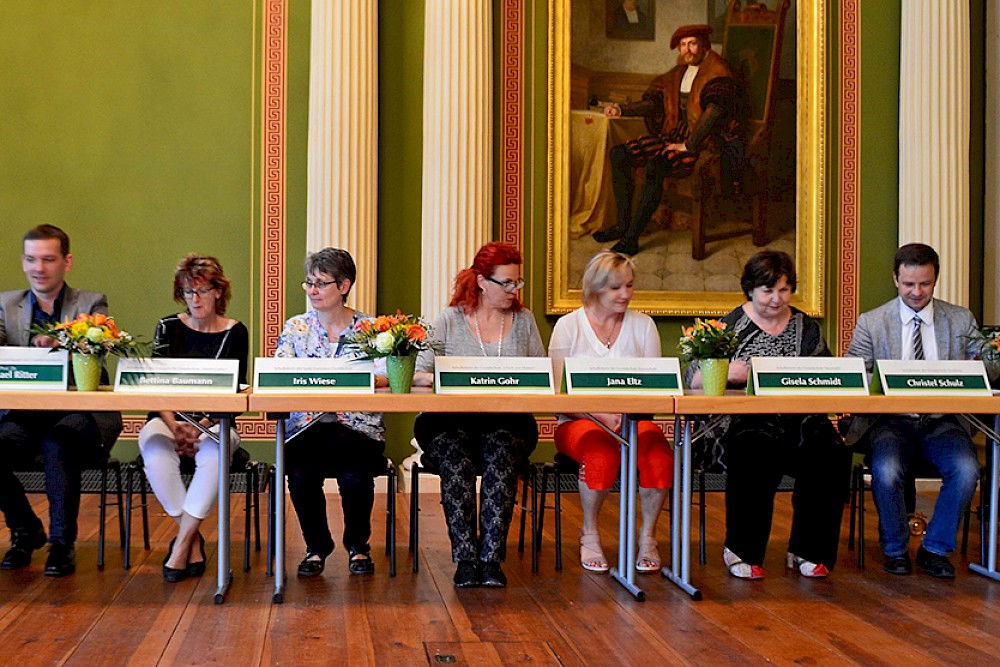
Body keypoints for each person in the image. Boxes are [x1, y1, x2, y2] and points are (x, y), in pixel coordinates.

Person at [687, 250, 848, 579]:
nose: (777, 299)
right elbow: (692, 376)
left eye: (785, 290)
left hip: (799, 421)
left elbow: (828, 374)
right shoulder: (728, 327)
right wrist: (730, 372)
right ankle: (741, 550)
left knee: (831, 452)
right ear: (750, 289)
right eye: (768, 291)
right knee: (756, 448)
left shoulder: (806, 328)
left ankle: (807, 550)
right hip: (740, 423)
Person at [846, 243, 984, 578]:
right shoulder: (872, 322)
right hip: (890, 423)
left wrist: (979, 363)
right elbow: (853, 374)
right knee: (887, 469)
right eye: (909, 284)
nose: (917, 292)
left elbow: (988, 366)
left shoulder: (960, 318)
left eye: (924, 283)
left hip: (943, 423)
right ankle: (895, 550)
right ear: (896, 279)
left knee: (966, 470)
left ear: (935, 280)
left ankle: (935, 549)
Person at [412, 242, 544, 588]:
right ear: (482, 281)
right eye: (507, 283)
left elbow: (541, 376)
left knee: (501, 453)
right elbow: (418, 373)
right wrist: (456, 377)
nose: (514, 291)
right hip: (449, 420)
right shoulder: (449, 320)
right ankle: (465, 558)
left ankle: (490, 560)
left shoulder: (524, 320)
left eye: (518, 283)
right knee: (456, 456)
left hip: (507, 421)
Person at [0, 225, 123, 576]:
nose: (39, 267)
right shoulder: (5, 305)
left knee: (59, 443)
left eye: (48, 259)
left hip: (80, 415)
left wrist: (64, 344)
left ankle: (61, 544)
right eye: (31, 259)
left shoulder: (89, 302)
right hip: (24, 415)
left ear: (66, 262)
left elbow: (100, 349)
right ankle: (25, 530)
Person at [548, 250, 673, 573]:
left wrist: (627, 415)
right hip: (578, 421)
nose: (626, 294)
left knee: (657, 450)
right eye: (616, 288)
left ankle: (648, 538)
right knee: (600, 448)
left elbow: (656, 388)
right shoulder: (567, 326)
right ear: (595, 288)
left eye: (630, 286)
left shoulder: (644, 326)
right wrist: (600, 415)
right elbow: (558, 392)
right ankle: (589, 533)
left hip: (633, 421)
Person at [275, 248, 388, 577]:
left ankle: (358, 546)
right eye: (308, 282)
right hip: (307, 427)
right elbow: (281, 373)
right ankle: (316, 547)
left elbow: (386, 375)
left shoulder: (370, 328)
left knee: (355, 476)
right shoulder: (296, 327)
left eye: (321, 284)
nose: (312, 290)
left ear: (344, 285)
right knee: (299, 474)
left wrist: (353, 381)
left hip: (357, 428)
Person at [137, 254, 249, 582]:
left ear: (218, 292)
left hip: (217, 422)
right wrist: (175, 427)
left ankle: (182, 544)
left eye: (201, 291)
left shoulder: (235, 332)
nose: (194, 299)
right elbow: (156, 386)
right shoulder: (167, 327)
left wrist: (201, 429)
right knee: (153, 444)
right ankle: (193, 540)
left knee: (215, 451)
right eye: (187, 292)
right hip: (169, 417)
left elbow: (235, 391)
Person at [594, 24, 745, 256]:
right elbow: (654, 103)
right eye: (683, 45)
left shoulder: (717, 71)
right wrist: (622, 109)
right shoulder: (678, 73)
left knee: (656, 165)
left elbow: (715, 112)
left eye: (692, 43)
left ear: (703, 45)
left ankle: (632, 238)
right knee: (619, 154)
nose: (688, 49)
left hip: (703, 142)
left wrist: (689, 145)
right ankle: (623, 225)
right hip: (673, 134)